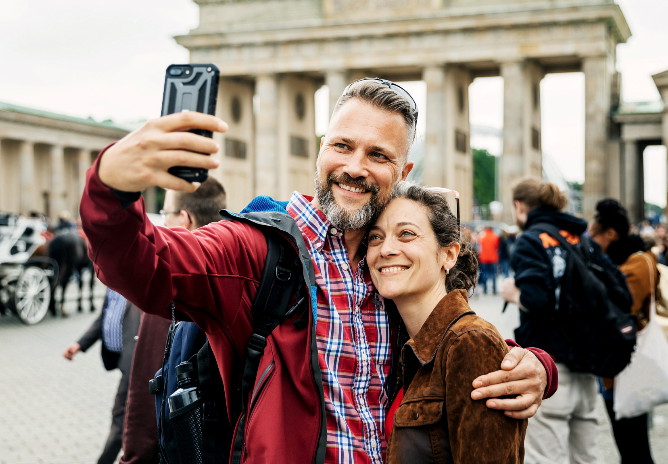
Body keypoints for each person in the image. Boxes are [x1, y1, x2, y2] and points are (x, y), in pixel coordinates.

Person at [80, 78, 556, 462]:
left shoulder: (389, 263)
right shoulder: (255, 251)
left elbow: (448, 339)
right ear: (321, 149)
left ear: (404, 171)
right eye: (343, 146)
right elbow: (149, 265)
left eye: (378, 155)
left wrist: (536, 365)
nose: (355, 166)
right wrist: (111, 186)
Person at [369, 183, 526, 463]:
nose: (386, 249)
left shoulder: (469, 343)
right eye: (375, 237)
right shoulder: (398, 344)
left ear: (449, 254)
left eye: (406, 234)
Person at [499, 178, 625, 463]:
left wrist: (513, 293)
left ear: (520, 206)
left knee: (545, 456)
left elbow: (538, 300)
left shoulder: (531, 239)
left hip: (550, 364)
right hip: (587, 362)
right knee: (587, 455)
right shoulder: (580, 237)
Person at [120, 177, 227, 464]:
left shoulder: (172, 289)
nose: (162, 222)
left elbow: (145, 391)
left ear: (184, 218)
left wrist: (132, 458)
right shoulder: (234, 275)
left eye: (166, 214)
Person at [591, 200, 657, 464]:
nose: (592, 242)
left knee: (634, 447)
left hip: (629, 365)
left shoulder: (637, 263)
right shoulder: (626, 260)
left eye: (594, 235)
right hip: (619, 364)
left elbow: (615, 305)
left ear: (610, 234)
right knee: (629, 445)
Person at [63, 288, 141, 464]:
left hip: (134, 364)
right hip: (120, 360)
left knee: (121, 417)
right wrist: (80, 344)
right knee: (122, 417)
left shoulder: (136, 282)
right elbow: (105, 316)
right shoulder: (112, 283)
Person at [477, 225, 500, 294]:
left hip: (484, 258)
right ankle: (494, 289)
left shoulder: (482, 236)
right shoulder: (495, 236)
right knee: (493, 274)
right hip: (493, 258)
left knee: (484, 274)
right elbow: (497, 247)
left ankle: (485, 289)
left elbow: (479, 246)